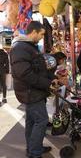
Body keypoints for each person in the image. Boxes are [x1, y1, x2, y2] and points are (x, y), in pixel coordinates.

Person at [10, 21, 58, 158]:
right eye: (42, 34)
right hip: (31, 92)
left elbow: (39, 68)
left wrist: (51, 78)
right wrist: (46, 83)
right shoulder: (20, 48)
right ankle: (35, 153)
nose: (43, 37)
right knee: (41, 120)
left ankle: (33, 148)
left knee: (32, 121)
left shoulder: (29, 47)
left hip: (33, 91)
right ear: (34, 32)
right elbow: (25, 74)